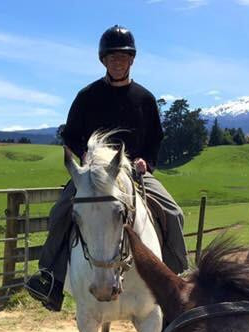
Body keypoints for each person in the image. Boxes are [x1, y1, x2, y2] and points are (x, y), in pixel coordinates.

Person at [24, 25, 188, 311]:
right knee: (60, 212)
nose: (117, 61)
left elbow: (154, 138)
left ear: (131, 60)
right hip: (93, 174)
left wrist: (146, 163)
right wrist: (84, 156)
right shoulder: (87, 96)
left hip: (133, 175)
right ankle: (50, 278)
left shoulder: (145, 99)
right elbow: (71, 134)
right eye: (112, 57)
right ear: (103, 60)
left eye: (123, 57)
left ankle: (177, 279)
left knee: (173, 211)